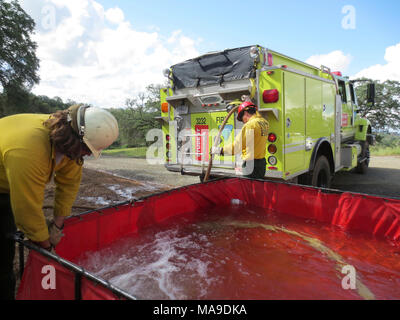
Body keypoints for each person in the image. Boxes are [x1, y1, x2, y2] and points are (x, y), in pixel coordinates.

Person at [0, 105, 119, 300]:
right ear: (74, 137)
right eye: (86, 149)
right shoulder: (29, 148)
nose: (87, 155)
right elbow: (27, 211)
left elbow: (69, 186)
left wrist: (57, 226)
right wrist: (48, 251)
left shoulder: (70, 145)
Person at [212, 101, 269, 179]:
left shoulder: (250, 125)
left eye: (242, 118)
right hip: (261, 164)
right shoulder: (264, 122)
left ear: (245, 113)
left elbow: (237, 147)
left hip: (251, 165)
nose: (243, 121)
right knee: (257, 188)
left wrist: (220, 150)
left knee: (248, 188)